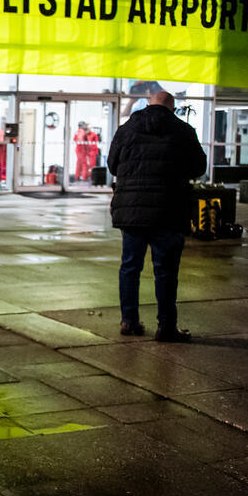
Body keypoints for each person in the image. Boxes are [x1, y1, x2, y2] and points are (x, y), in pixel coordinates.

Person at [107, 90, 207, 342]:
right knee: (166, 271)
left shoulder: (126, 129)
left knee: (130, 266)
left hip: (131, 210)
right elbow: (199, 168)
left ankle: (129, 321)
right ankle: (166, 327)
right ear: (172, 108)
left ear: (148, 104)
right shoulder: (184, 131)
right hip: (169, 211)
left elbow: (111, 164)